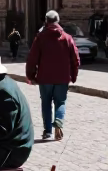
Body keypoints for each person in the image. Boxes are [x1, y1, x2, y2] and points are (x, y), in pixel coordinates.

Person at [25, 10, 80, 141]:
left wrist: (31, 75)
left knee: (46, 103)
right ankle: (59, 122)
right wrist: (73, 75)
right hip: (62, 78)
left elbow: (32, 59)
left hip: (45, 78)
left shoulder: (40, 37)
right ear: (58, 21)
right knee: (60, 102)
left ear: (46, 21)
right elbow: (76, 60)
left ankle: (47, 131)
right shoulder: (67, 38)